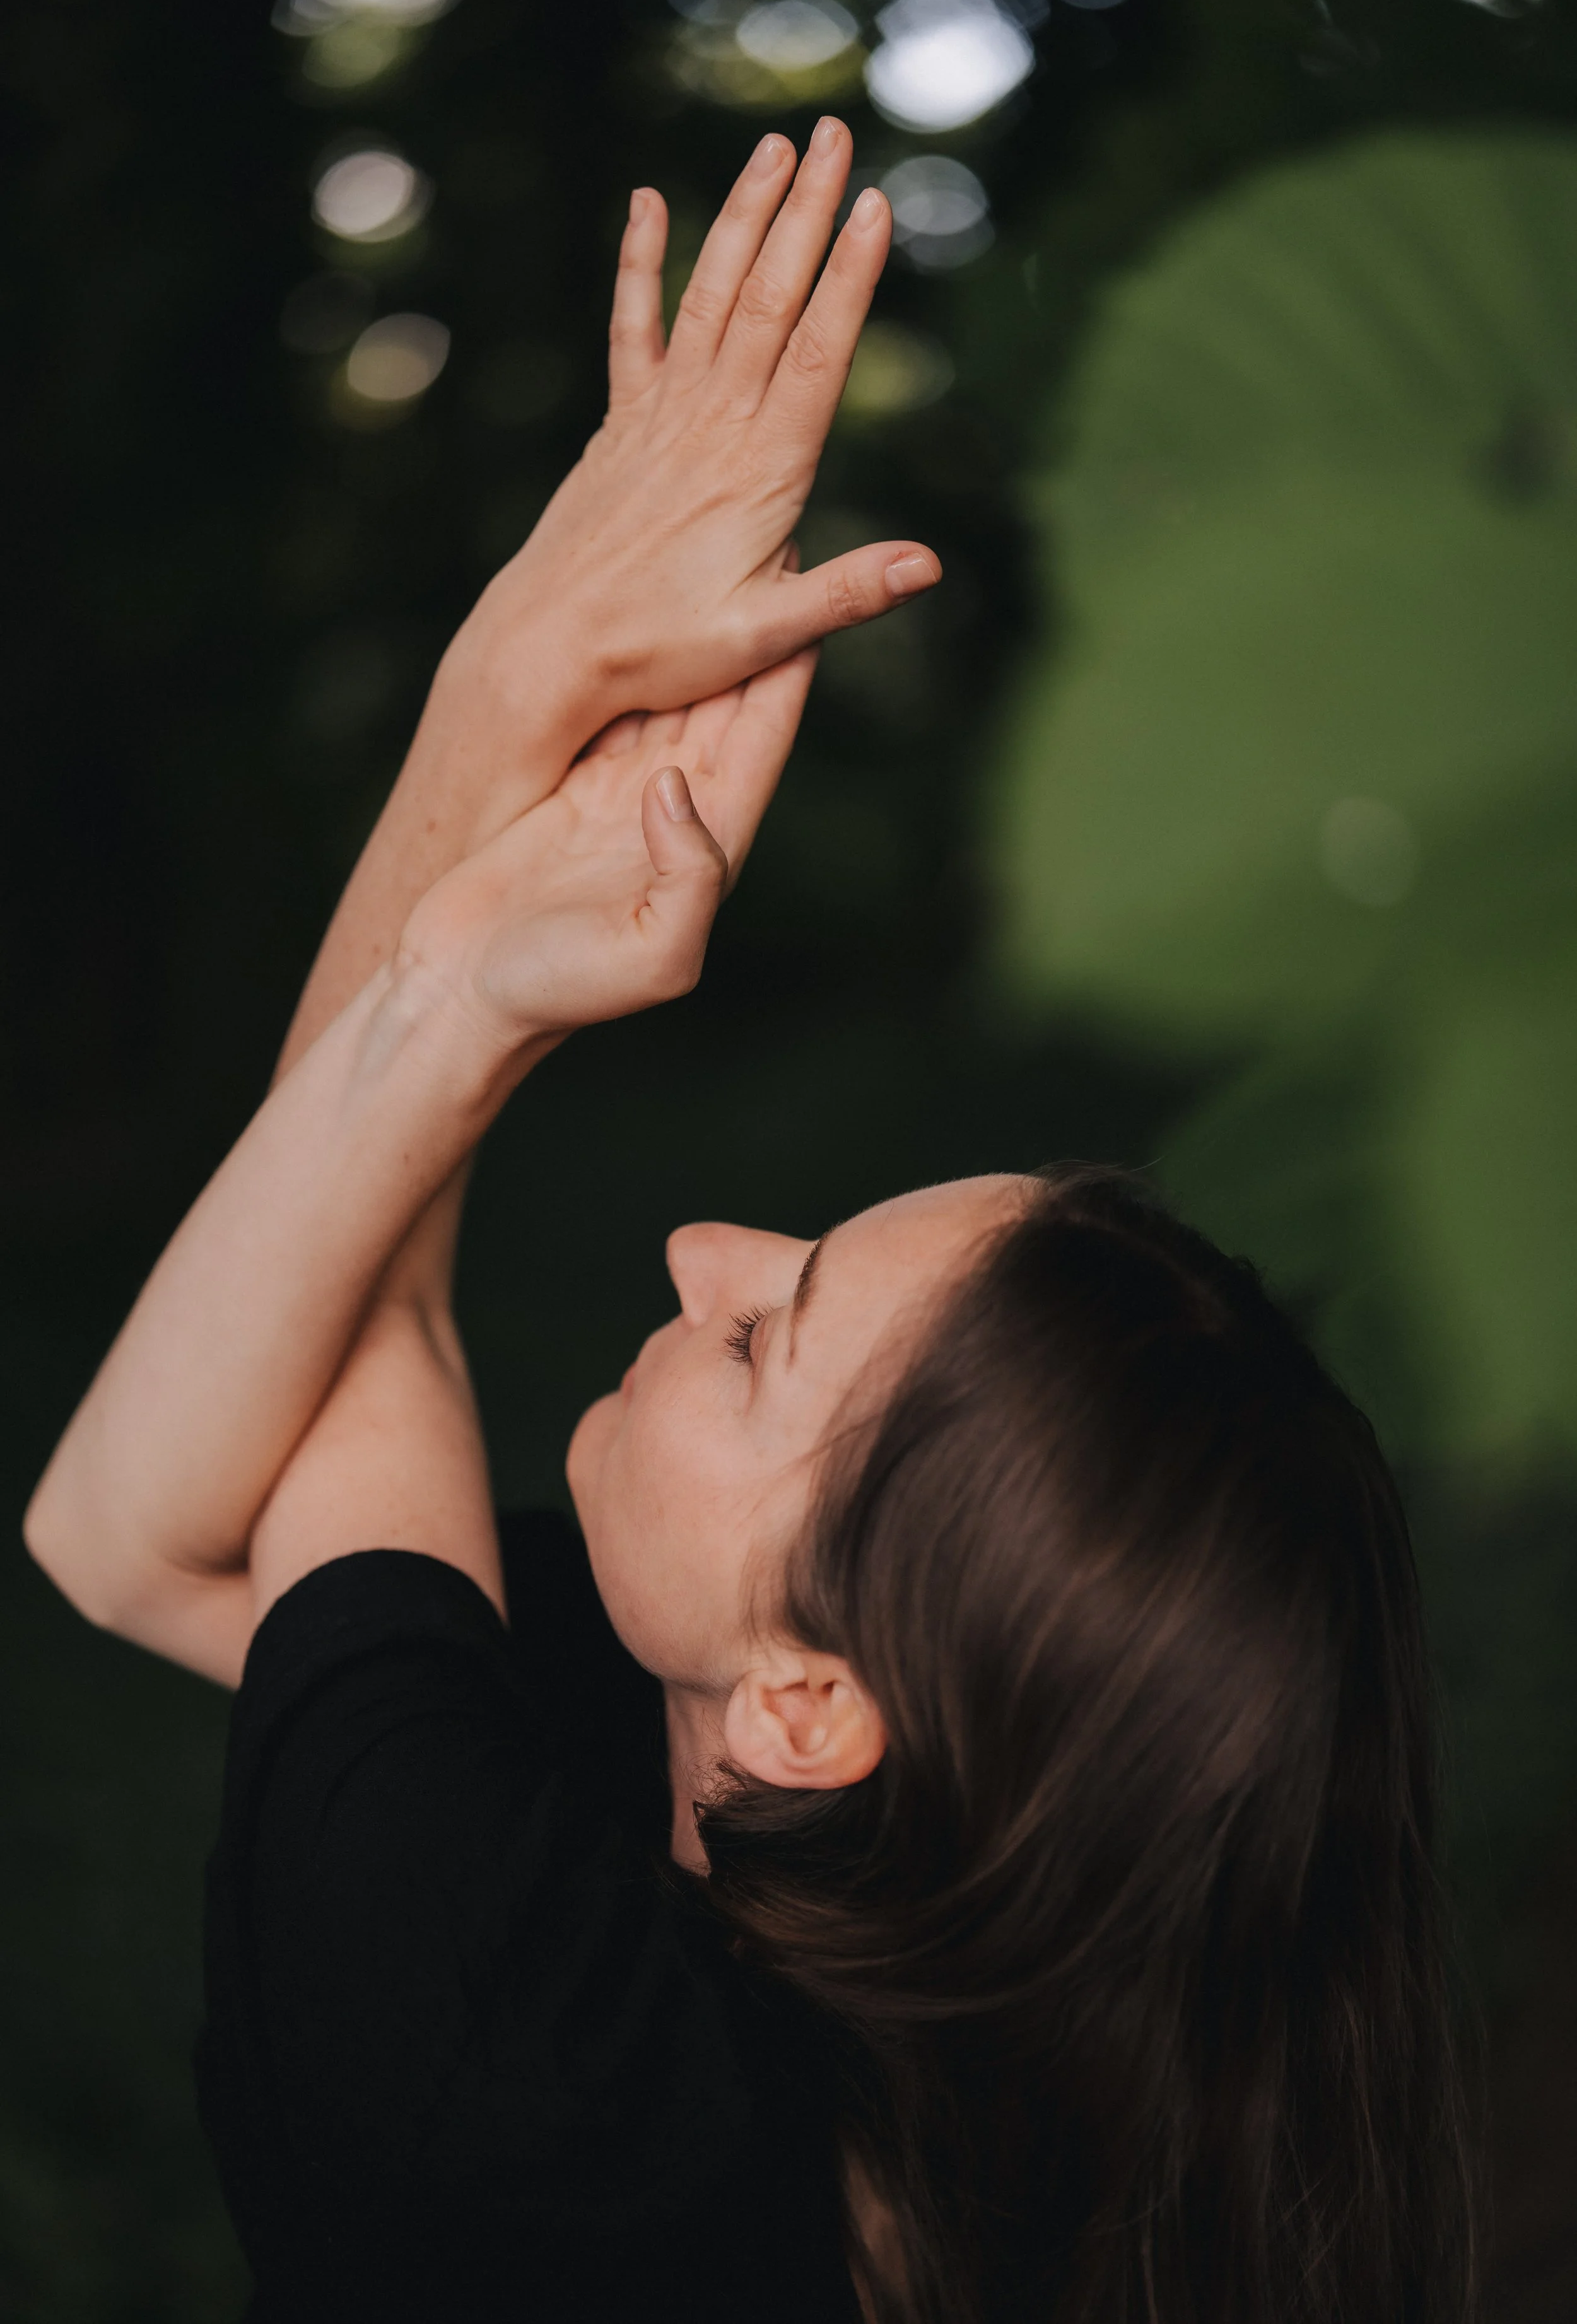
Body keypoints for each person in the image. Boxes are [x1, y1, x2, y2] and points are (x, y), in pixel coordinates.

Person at [25, 122, 1475, 2324]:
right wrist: (493, 874)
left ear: (809, 1700)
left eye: (760, 1333)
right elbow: (133, 1533)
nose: (699, 1246)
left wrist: (508, 698)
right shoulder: (969, 1988)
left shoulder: (513, 2050)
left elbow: (358, 1340)